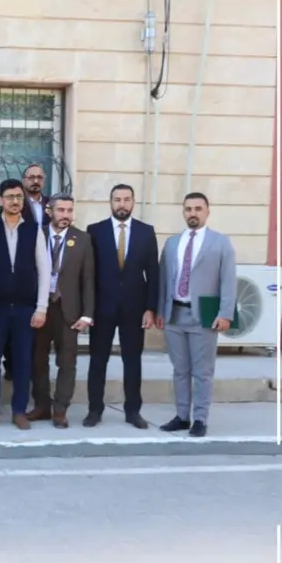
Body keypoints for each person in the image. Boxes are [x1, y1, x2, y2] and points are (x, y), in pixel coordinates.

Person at [155, 192, 237, 438]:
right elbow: (163, 280)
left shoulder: (220, 243)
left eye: (198, 209)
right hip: (174, 315)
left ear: (207, 211)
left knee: (202, 372)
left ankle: (200, 419)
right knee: (180, 370)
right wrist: (160, 310)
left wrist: (226, 313)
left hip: (203, 316)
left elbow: (228, 281)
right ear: (183, 212)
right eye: (188, 209)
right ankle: (182, 416)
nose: (193, 213)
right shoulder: (172, 243)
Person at [0, 179, 51, 430]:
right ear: (0, 200)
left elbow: (44, 269)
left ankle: (19, 410)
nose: (15, 201)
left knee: (22, 361)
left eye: (19, 197)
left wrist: (41, 308)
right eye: (9, 197)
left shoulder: (33, 229)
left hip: (25, 309)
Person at [85, 183, 159, 429]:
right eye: (117, 200)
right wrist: (87, 310)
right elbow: (89, 274)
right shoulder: (95, 231)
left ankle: (133, 411)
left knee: (133, 362)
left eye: (127, 200)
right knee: (98, 361)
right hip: (101, 308)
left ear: (133, 203)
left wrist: (150, 308)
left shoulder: (146, 232)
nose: (122, 204)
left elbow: (153, 273)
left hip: (134, 309)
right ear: (110, 202)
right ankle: (94, 410)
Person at [28, 193, 95, 429]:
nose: (66, 215)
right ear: (50, 211)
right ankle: (42, 405)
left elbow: (88, 278)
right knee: (37, 360)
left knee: (67, 361)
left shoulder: (83, 239)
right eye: (61, 210)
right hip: (41, 308)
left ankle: (60, 409)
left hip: (68, 310)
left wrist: (87, 313)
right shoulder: (37, 235)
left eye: (69, 210)